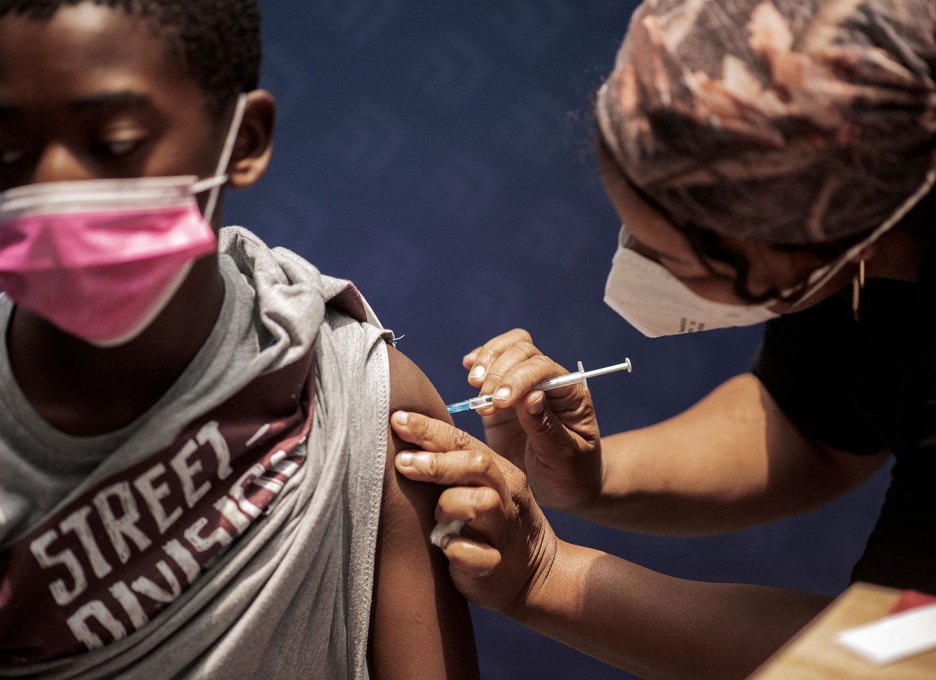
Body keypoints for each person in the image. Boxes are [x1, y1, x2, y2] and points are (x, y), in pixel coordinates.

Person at [0, 1, 478, 678]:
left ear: (243, 140)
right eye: (9, 152)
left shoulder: (344, 389)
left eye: (114, 144)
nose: (53, 188)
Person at [389, 1, 936, 678]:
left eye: (673, 259)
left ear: (830, 236)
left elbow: (901, 652)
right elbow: (814, 430)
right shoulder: (853, 219)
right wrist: (586, 474)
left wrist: (544, 574)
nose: (640, 272)